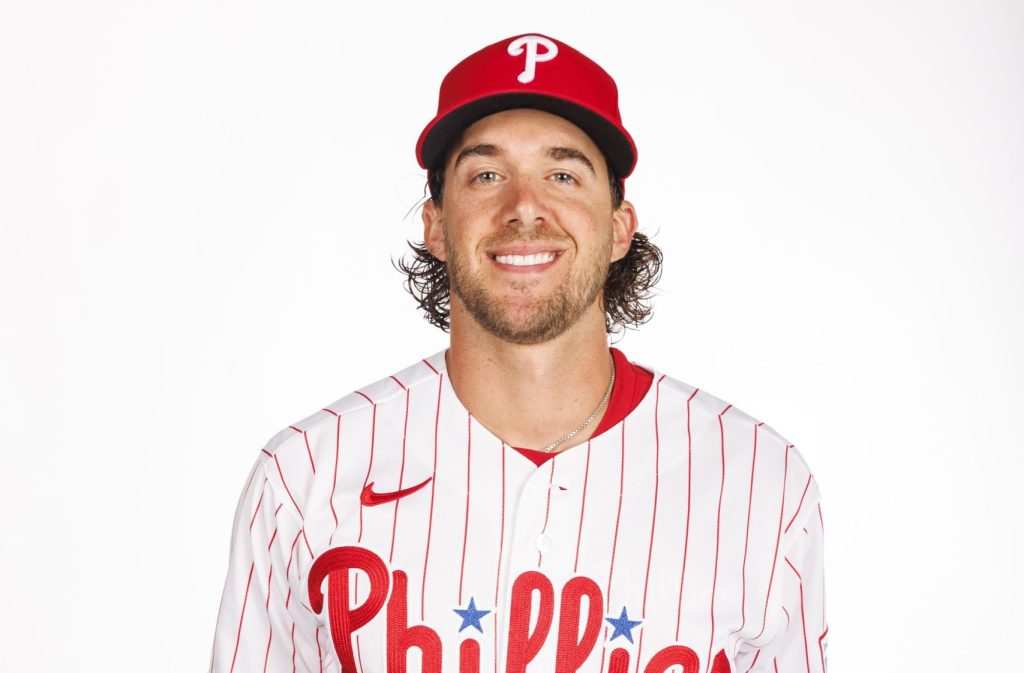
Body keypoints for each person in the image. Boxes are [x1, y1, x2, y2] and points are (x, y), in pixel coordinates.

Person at [209, 33, 827, 673]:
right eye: (486, 175)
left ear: (619, 226)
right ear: (436, 225)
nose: (525, 207)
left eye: (562, 174)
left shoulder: (762, 481)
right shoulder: (305, 476)